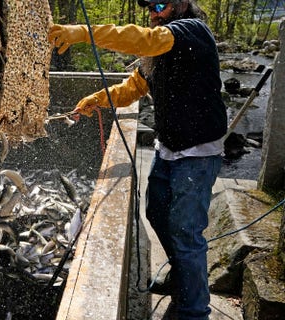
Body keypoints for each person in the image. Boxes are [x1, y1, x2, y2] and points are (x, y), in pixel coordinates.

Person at [48, 0, 227, 319]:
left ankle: (194, 310)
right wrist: (98, 99)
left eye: (162, 4)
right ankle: (182, 276)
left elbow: (144, 39)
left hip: (198, 153)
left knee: (186, 229)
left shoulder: (191, 31)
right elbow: (133, 88)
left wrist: (83, 33)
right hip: (169, 148)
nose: (155, 13)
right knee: (157, 211)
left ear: (182, 4)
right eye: (150, 7)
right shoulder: (158, 54)